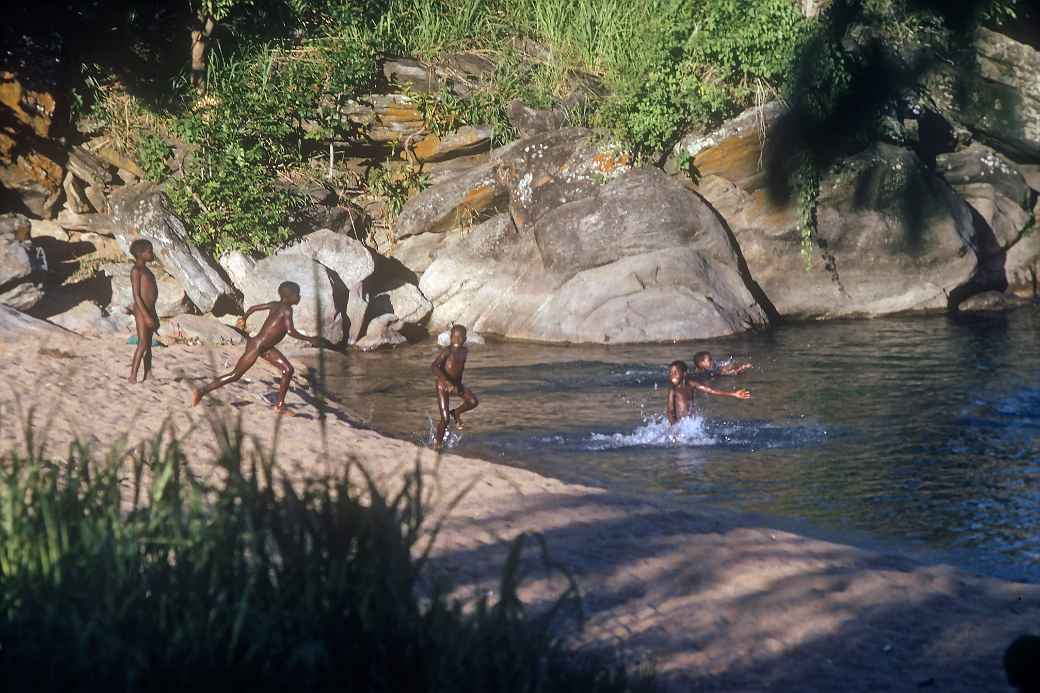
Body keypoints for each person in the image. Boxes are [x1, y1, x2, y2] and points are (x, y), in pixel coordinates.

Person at [192, 281, 324, 414]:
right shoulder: (287, 310)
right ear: (289, 296)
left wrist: (244, 318)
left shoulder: (275, 305)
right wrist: (310, 339)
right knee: (235, 375)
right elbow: (290, 331)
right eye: (297, 295)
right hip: (257, 346)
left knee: (288, 370)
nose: (299, 297)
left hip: (265, 347)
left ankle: (279, 406)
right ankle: (201, 390)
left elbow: (253, 308)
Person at [431, 324, 478, 449]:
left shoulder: (465, 351)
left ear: (465, 339)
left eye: (460, 338)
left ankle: (456, 413)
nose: (457, 340)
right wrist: (446, 382)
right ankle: (438, 443)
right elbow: (434, 366)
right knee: (445, 419)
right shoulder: (447, 351)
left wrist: (457, 386)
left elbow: (459, 370)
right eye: (454, 337)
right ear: (450, 338)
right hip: (443, 385)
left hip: (456, 385)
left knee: (473, 401)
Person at [667, 359, 750, 424]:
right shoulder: (673, 390)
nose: (672, 375)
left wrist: (733, 394)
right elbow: (670, 411)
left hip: (689, 423)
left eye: (675, 372)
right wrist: (674, 427)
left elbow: (710, 390)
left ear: (684, 374)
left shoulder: (691, 384)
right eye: (670, 373)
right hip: (678, 424)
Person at [128, 238, 159, 384]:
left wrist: (153, 313)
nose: (152, 254)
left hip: (150, 309)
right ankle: (133, 376)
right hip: (141, 310)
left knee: (149, 345)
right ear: (140, 254)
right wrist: (146, 316)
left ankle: (148, 373)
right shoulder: (136, 271)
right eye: (149, 251)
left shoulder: (146, 270)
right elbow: (137, 296)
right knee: (142, 343)